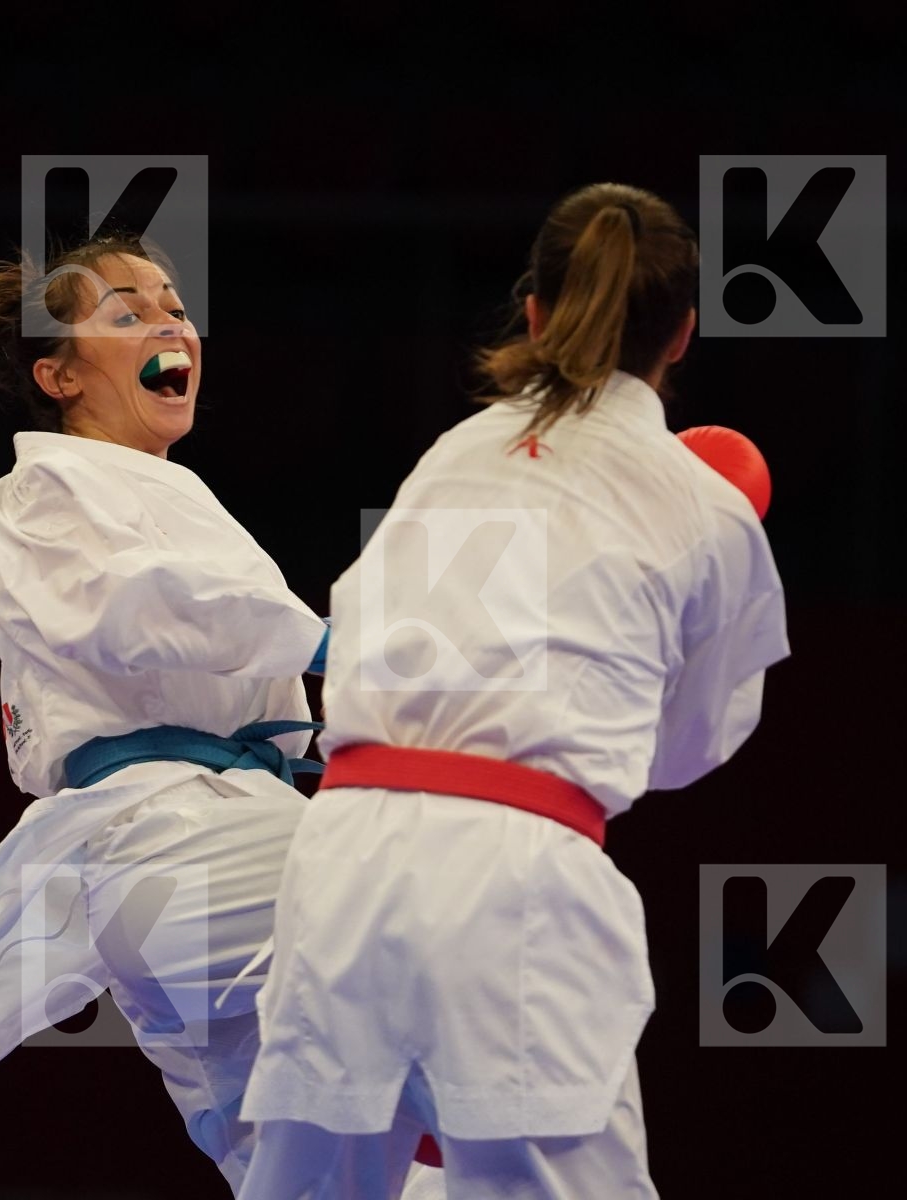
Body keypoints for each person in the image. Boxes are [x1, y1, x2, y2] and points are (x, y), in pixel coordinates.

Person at [237, 183, 791, 1198]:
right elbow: (687, 747)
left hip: (344, 856)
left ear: (532, 311)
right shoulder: (704, 505)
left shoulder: (449, 456)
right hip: (513, 875)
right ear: (684, 335)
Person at [0, 233, 436, 1196]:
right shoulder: (37, 491)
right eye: (128, 310)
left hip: (204, 841)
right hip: (170, 828)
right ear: (57, 373)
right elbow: (137, 609)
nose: (169, 321)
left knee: (307, 1163)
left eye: (174, 305)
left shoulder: (168, 495)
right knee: (423, 953)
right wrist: (329, 646)